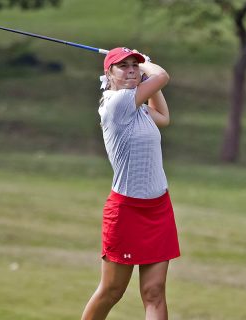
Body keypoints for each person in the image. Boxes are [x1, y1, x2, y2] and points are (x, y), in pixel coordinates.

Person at [81, 47, 180, 320]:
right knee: (112, 291)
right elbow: (162, 76)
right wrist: (147, 62)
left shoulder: (138, 108)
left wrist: (143, 77)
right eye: (123, 66)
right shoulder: (117, 103)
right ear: (108, 74)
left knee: (154, 292)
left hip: (158, 208)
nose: (131, 70)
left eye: (134, 65)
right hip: (127, 210)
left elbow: (162, 116)